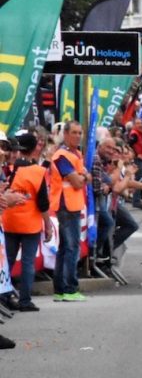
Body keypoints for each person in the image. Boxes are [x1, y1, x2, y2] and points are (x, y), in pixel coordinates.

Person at [1, 130, 52, 312]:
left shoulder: (8, 168)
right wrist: (48, 225)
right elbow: (43, 203)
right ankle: (25, 301)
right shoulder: (39, 172)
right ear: (33, 149)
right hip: (30, 223)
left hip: (9, 220)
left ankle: (4, 297)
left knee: (7, 261)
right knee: (28, 263)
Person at [48, 122, 89, 302]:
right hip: (66, 205)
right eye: (74, 132)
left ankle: (61, 289)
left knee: (65, 248)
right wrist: (84, 177)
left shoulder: (75, 154)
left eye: (79, 133)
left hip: (71, 204)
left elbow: (83, 177)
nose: (77, 136)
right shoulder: (62, 155)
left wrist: (83, 177)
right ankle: (69, 289)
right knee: (71, 248)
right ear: (65, 134)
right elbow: (79, 181)